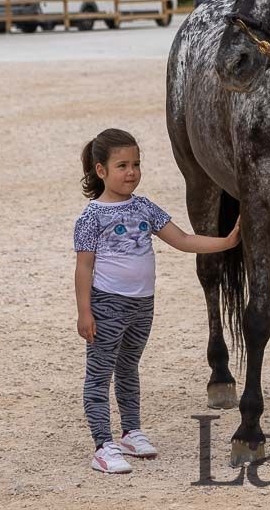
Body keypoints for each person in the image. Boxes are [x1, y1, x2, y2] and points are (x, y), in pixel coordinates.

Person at [74, 129, 240, 474]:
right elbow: (83, 267)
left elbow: (181, 239)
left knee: (129, 367)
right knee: (99, 374)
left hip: (141, 306)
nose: (131, 172)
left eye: (136, 164)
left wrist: (228, 241)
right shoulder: (90, 217)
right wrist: (85, 312)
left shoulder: (144, 207)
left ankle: (130, 431)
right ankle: (102, 445)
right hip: (107, 305)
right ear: (100, 170)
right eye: (122, 165)